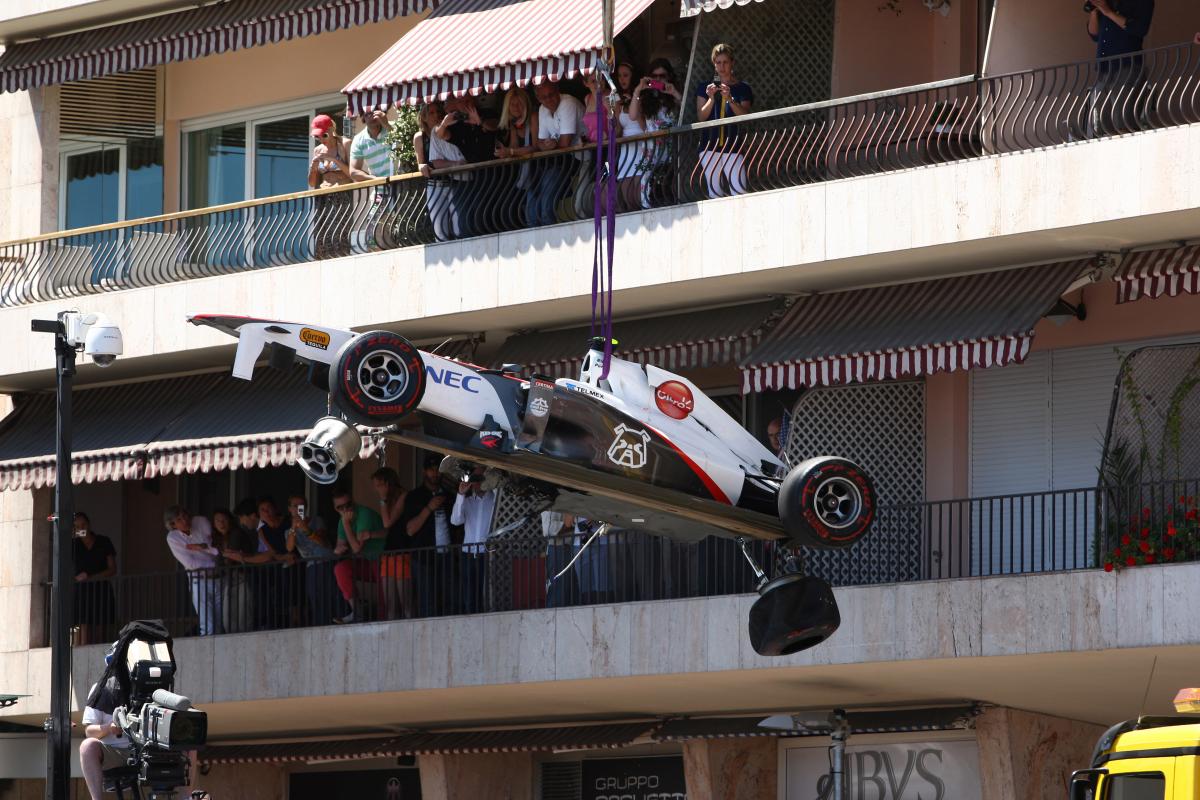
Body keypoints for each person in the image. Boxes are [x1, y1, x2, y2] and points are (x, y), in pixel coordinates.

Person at [1086, 0, 1154, 135]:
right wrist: (1094, 10)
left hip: (1126, 67)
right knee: (1098, 123)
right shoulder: (1107, 3)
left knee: (1123, 122)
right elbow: (1094, 35)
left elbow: (1140, 29)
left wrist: (1108, 12)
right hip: (1103, 69)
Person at [695, 43, 753, 197]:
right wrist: (711, 98)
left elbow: (744, 116)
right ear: (714, 65)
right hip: (709, 147)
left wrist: (730, 99)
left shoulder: (743, 88)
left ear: (732, 63)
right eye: (718, 62)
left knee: (739, 192)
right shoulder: (704, 87)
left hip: (733, 146)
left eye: (725, 62)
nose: (722, 66)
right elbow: (701, 117)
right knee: (714, 195)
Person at [436, 96, 496, 236]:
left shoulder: (487, 113)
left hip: (495, 173)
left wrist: (479, 122)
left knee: (490, 215)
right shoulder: (458, 124)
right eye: (462, 102)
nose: (466, 104)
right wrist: (444, 124)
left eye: (468, 100)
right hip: (474, 177)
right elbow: (440, 135)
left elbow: (496, 125)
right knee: (470, 218)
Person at [401, 453, 451, 618]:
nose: (435, 473)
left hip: (447, 555)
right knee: (427, 602)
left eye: (438, 470)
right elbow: (410, 530)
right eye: (431, 470)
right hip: (423, 557)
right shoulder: (415, 497)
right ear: (424, 471)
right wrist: (429, 508)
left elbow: (457, 524)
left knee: (448, 600)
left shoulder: (448, 495)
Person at [79, 644, 131, 800]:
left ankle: (186, 797)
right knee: (87, 746)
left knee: (186, 743)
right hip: (113, 752)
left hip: (145, 751)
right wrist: (108, 728)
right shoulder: (101, 688)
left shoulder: (149, 687)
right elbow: (89, 731)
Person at [530, 81, 585, 226]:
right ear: (538, 99)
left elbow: (564, 144)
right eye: (544, 97)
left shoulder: (567, 103)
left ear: (558, 90)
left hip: (580, 160)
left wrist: (551, 145)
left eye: (551, 95)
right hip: (559, 161)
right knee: (533, 202)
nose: (549, 100)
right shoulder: (543, 109)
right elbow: (540, 143)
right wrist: (549, 145)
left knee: (546, 205)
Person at [629, 58, 682, 209]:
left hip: (672, 147)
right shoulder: (646, 97)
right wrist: (638, 90)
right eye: (655, 76)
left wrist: (674, 93)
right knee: (649, 186)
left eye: (662, 76)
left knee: (670, 182)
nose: (658, 80)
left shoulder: (674, 95)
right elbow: (632, 115)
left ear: (669, 76)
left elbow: (688, 109)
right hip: (651, 150)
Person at [163, 506, 221, 636]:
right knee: (208, 626)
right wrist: (214, 563)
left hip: (219, 579)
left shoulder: (201, 521)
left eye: (185, 515)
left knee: (221, 624)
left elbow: (216, 546)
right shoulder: (172, 537)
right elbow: (190, 563)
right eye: (179, 519)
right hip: (199, 582)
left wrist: (202, 548)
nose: (185, 520)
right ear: (173, 524)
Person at [285, 494, 341, 626]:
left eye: (302, 505)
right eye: (295, 506)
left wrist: (305, 528)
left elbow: (322, 541)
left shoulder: (317, 521)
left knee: (333, 596)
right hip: (311, 566)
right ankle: (321, 625)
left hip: (327, 562)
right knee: (316, 599)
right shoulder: (289, 530)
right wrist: (294, 527)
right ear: (289, 509)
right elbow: (289, 547)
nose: (299, 508)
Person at [331, 487, 386, 624]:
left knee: (383, 600)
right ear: (335, 509)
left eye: (348, 505)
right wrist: (337, 550)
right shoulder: (341, 522)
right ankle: (357, 612)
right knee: (340, 569)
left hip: (384, 559)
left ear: (353, 502)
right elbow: (341, 545)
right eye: (340, 507)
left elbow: (356, 549)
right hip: (367, 561)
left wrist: (346, 524)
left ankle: (384, 620)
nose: (345, 510)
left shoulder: (363, 514)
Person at [418, 102, 469, 241]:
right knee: (440, 229)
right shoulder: (420, 137)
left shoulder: (447, 130)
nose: (436, 115)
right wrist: (422, 166)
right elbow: (421, 161)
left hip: (453, 181)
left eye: (438, 112)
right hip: (435, 185)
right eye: (431, 113)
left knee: (458, 224)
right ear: (424, 117)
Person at [349, 106, 397, 252]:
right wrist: (375, 179)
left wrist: (386, 124)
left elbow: (403, 146)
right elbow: (353, 171)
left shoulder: (393, 128)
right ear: (363, 116)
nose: (371, 114)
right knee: (374, 233)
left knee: (401, 228)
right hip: (379, 191)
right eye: (367, 112)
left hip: (401, 187)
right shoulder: (359, 140)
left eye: (375, 110)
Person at [450, 465, 497, 614]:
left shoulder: (495, 499)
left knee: (487, 595)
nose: (477, 483)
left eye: (479, 478)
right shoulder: (467, 501)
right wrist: (460, 495)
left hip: (487, 554)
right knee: (469, 597)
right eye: (474, 479)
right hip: (468, 554)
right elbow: (455, 520)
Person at [308, 113, 355, 259]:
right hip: (324, 196)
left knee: (341, 233)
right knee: (323, 235)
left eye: (324, 135)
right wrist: (314, 168)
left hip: (343, 192)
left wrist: (333, 159)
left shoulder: (345, 144)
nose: (321, 139)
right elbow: (311, 183)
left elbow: (353, 174)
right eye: (317, 137)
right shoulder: (318, 150)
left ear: (331, 130)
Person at [495, 87, 541, 223]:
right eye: (513, 104)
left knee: (535, 212)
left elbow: (536, 146)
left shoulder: (533, 117)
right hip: (527, 173)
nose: (516, 108)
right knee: (526, 212)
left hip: (540, 169)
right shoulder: (514, 124)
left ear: (526, 103)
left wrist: (510, 152)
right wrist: (504, 151)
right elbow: (514, 146)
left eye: (520, 104)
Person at [373, 467, 413, 620]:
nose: (377, 489)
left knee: (405, 603)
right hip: (389, 552)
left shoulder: (403, 495)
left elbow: (387, 523)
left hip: (402, 552)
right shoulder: (389, 500)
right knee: (390, 603)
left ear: (387, 483)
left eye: (378, 485)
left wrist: (382, 500)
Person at [72, 512, 116, 645]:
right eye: (77, 527)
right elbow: (66, 569)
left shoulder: (103, 541)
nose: (81, 529)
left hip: (101, 591)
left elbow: (112, 569)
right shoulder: (73, 545)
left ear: (89, 525)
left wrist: (90, 577)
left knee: (100, 632)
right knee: (83, 630)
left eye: (83, 525)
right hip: (82, 593)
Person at [213, 509, 255, 634]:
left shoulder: (237, 533)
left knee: (243, 614)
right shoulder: (217, 539)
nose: (221, 523)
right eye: (217, 521)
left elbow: (231, 554)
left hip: (242, 577)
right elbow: (224, 558)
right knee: (228, 617)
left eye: (224, 520)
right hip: (228, 579)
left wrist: (226, 556)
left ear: (230, 520)